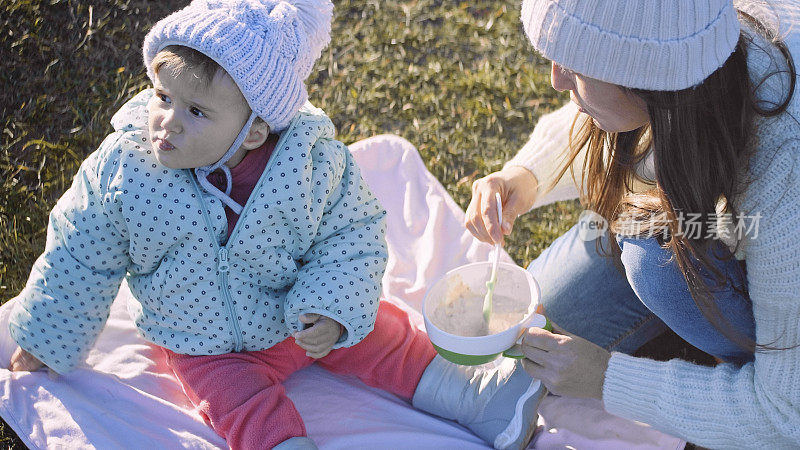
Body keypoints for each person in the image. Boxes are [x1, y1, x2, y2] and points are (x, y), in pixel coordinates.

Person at [4, 1, 542, 448]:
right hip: (202, 342)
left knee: (381, 334)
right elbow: (79, 252)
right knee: (240, 409)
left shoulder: (308, 166)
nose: (167, 120)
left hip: (299, 318)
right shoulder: (126, 171)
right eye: (163, 97)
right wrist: (48, 337)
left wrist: (332, 308)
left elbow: (351, 235)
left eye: (197, 111)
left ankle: (479, 397)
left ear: (255, 131)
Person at [465, 0, 800, 447]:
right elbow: (610, 118)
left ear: (647, 83)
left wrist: (606, 379)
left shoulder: (784, 168)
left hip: (773, 268)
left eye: (577, 67)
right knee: (550, 306)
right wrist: (525, 176)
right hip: (711, 216)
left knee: (653, 268)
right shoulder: (684, 56)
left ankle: (738, 356)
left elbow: (786, 414)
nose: (555, 78)